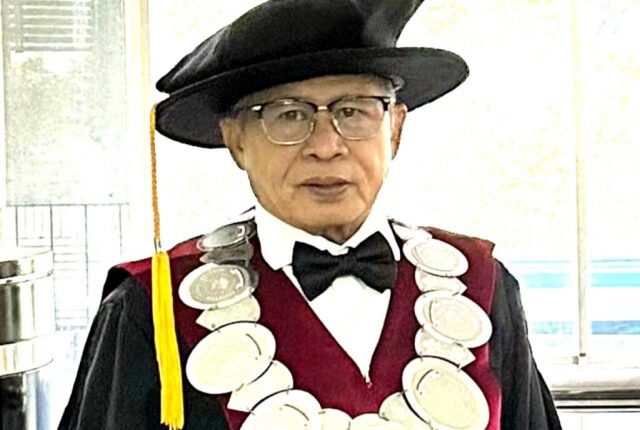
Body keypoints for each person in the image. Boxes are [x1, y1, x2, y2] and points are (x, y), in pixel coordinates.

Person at [59, 0, 562, 429]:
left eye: (354, 110)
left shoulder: (482, 287)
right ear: (235, 140)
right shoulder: (152, 308)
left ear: (394, 129)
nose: (326, 146)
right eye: (288, 115)